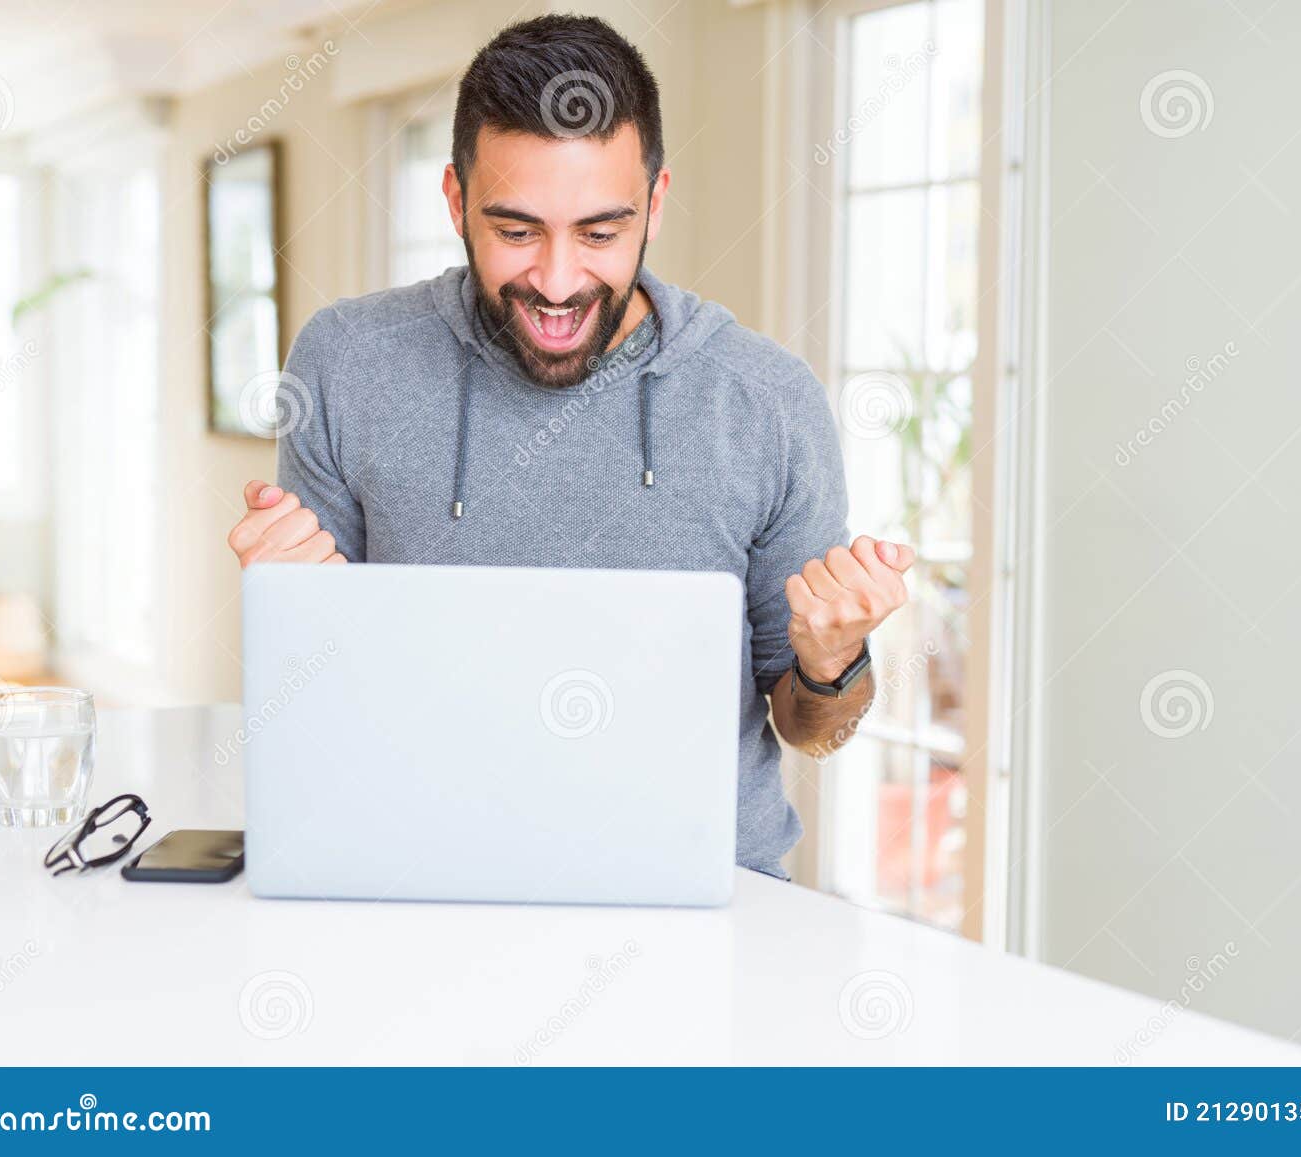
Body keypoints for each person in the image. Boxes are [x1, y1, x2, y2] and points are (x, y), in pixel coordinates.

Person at [225, 13, 915, 879]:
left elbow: (815, 729)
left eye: (599, 232)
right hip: (419, 876)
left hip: (700, 897)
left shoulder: (767, 401)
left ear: (655, 204)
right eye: (516, 231)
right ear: (455, 202)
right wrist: (296, 620)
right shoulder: (347, 362)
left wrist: (829, 662)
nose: (556, 282)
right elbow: (314, 709)